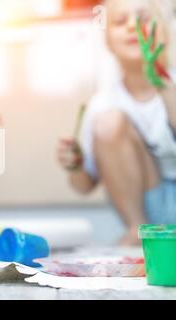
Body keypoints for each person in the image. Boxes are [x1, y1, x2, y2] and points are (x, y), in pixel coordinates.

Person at [57, 0, 176, 246]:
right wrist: (76, 166)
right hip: (150, 214)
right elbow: (84, 187)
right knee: (109, 122)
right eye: (121, 22)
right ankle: (138, 232)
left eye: (143, 19)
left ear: (162, 32)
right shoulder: (103, 102)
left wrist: (163, 84)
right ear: (108, 42)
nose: (133, 26)